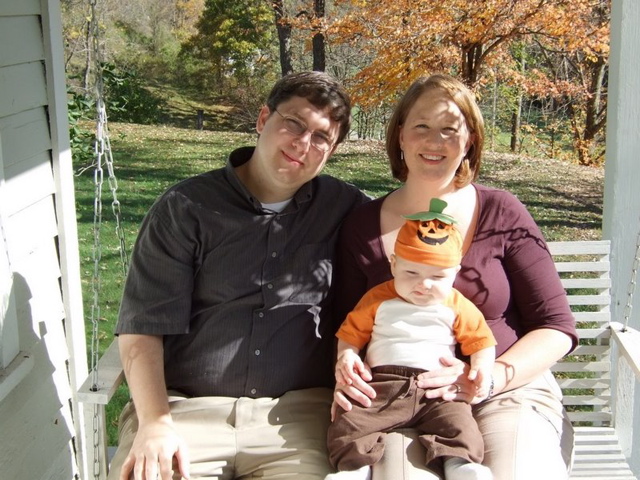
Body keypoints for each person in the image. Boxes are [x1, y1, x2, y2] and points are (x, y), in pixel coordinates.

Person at [108, 71, 369, 480]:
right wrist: (155, 424)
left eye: (321, 137)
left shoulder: (346, 209)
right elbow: (142, 328)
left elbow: (419, 253)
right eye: (294, 123)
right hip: (184, 412)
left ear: (331, 151)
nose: (303, 144)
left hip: (297, 420)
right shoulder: (186, 208)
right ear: (263, 119)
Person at [332, 73, 578, 480]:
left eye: (450, 129)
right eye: (421, 126)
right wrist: (346, 369)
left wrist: (489, 378)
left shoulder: (503, 213)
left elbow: (556, 327)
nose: (435, 141)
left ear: (470, 141)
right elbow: (346, 327)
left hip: (505, 392)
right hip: (395, 400)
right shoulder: (362, 226)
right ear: (400, 136)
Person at [326, 198, 496, 480]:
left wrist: (481, 368)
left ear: (455, 273)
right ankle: (355, 468)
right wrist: (347, 355)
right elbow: (350, 334)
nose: (423, 284)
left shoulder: (457, 305)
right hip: (381, 386)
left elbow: (481, 341)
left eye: (437, 276)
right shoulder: (377, 298)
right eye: (411, 272)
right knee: (350, 420)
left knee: (458, 422)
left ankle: (459, 464)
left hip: (438, 388)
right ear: (394, 265)